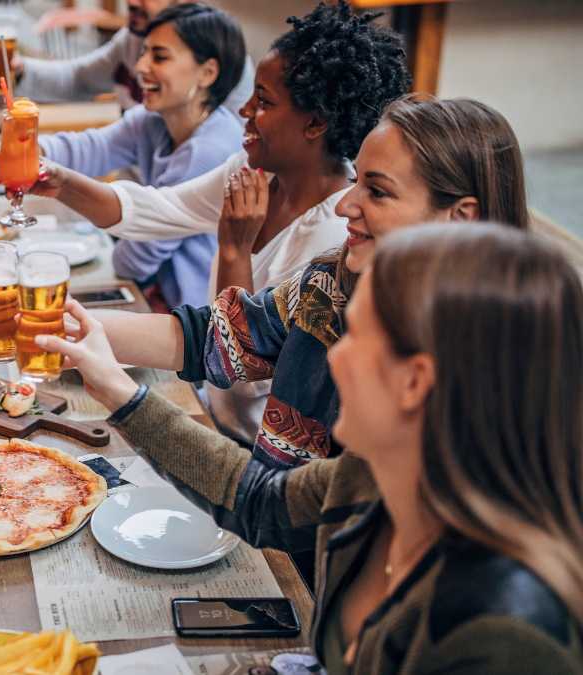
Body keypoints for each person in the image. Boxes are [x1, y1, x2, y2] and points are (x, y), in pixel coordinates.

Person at [41, 223, 583, 672]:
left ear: (416, 382)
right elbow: (256, 499)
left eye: (356, 336)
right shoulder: (375, 475)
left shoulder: (507, 636)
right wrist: (119, 391)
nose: (330, 357)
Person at [51, 94, 530, 469]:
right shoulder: (334, 278)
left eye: (377, 192)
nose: (346, 205)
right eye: (356, 180)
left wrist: (122, 394)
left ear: (460, 216)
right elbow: (215, 335)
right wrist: (49, 324)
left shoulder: (491, 378)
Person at [30, 1, 409, 446]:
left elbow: (242, 368)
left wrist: (234, 250)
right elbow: (154, 210)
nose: (244, 110)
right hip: (211, 414)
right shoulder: (251, 174)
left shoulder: (338, 234)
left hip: (253, 452)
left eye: (263, 101)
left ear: (316, 123)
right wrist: (60, 181)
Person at [37, 3, 245, 309]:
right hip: (150, 294)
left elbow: (136, 259)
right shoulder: (151, 121)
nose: (140, 66)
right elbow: (87, 148)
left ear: (207, 73)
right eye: (144, 52)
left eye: (159, 57)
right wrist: (19, 150)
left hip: (192, 316)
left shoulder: (211, 148)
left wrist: (111, 248)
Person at [11, 0, 254, 114]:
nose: (131, 2)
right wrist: (20, 70)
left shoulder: (227, 59)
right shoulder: (132, 38)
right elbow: (80, 78)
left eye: (160, 57)